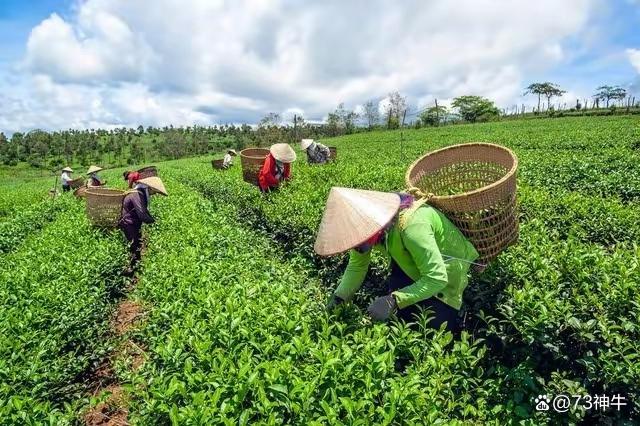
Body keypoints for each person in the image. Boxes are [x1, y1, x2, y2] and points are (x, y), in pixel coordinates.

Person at [314, 187, 480, 333]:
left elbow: (437, 278)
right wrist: (339, 298)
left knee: (434, 327)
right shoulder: (371, 230)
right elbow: (357, 266)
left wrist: (394, 300)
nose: (356, 246)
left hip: (446, 275)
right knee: (403, 315)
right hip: (409, 259)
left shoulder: (413, 226)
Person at [119, 176, 167, 267]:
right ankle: (132, 267)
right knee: (134, 245)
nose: (154, 194)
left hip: (134, 223)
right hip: (129, 224)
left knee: (137, 244)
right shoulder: (137, 195)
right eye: (154, 191)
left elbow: (144, 211)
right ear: (149, 188)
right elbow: (142, 214)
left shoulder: (140, 193)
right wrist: (155, 222)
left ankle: (136, 264)